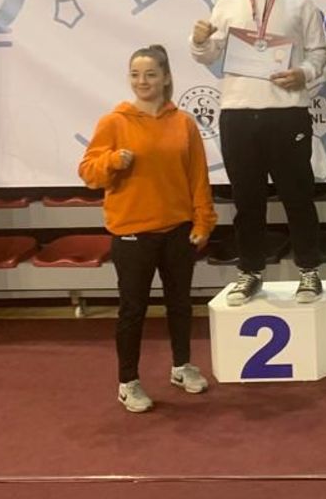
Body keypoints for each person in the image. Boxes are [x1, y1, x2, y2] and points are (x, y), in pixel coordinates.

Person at [191, 0, 326, 306]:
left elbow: (320, 52)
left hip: (286, 112)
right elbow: (209, 54)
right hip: (238, 112)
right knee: (247, 200)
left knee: (297, 196)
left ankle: (309, 270)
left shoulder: (301, 1)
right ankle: (250, 272)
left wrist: (303, 73)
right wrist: (199, 41)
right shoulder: (228, 1)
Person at [78, 45, 217, 414]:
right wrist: (112, 161)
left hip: (178, 230)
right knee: (132, 309)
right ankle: (128, 382)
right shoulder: (113, 122)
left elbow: (198, 177)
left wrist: (203, 221)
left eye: (151, 74)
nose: (143, 81)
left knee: (180, 304)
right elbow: (88, 173)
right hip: (132, 233)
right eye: (136, 75)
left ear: (166, 78)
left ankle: (182, 366)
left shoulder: (183, 123)